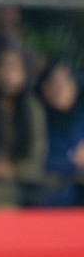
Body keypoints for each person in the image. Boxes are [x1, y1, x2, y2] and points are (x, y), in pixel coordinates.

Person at [0, 47, 45, 207]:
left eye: (14, 68)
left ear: (24, 73)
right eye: (2, 67)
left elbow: (36, 158)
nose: (7, 74)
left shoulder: (32, 108)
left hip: (19, 193)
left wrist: (10, 169)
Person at [37, 61, 84, 205]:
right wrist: (73, 162)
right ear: (43, 88)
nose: (59, 89)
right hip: (50, 193)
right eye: (53, 83)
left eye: (65, 82)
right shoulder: (37, 118)